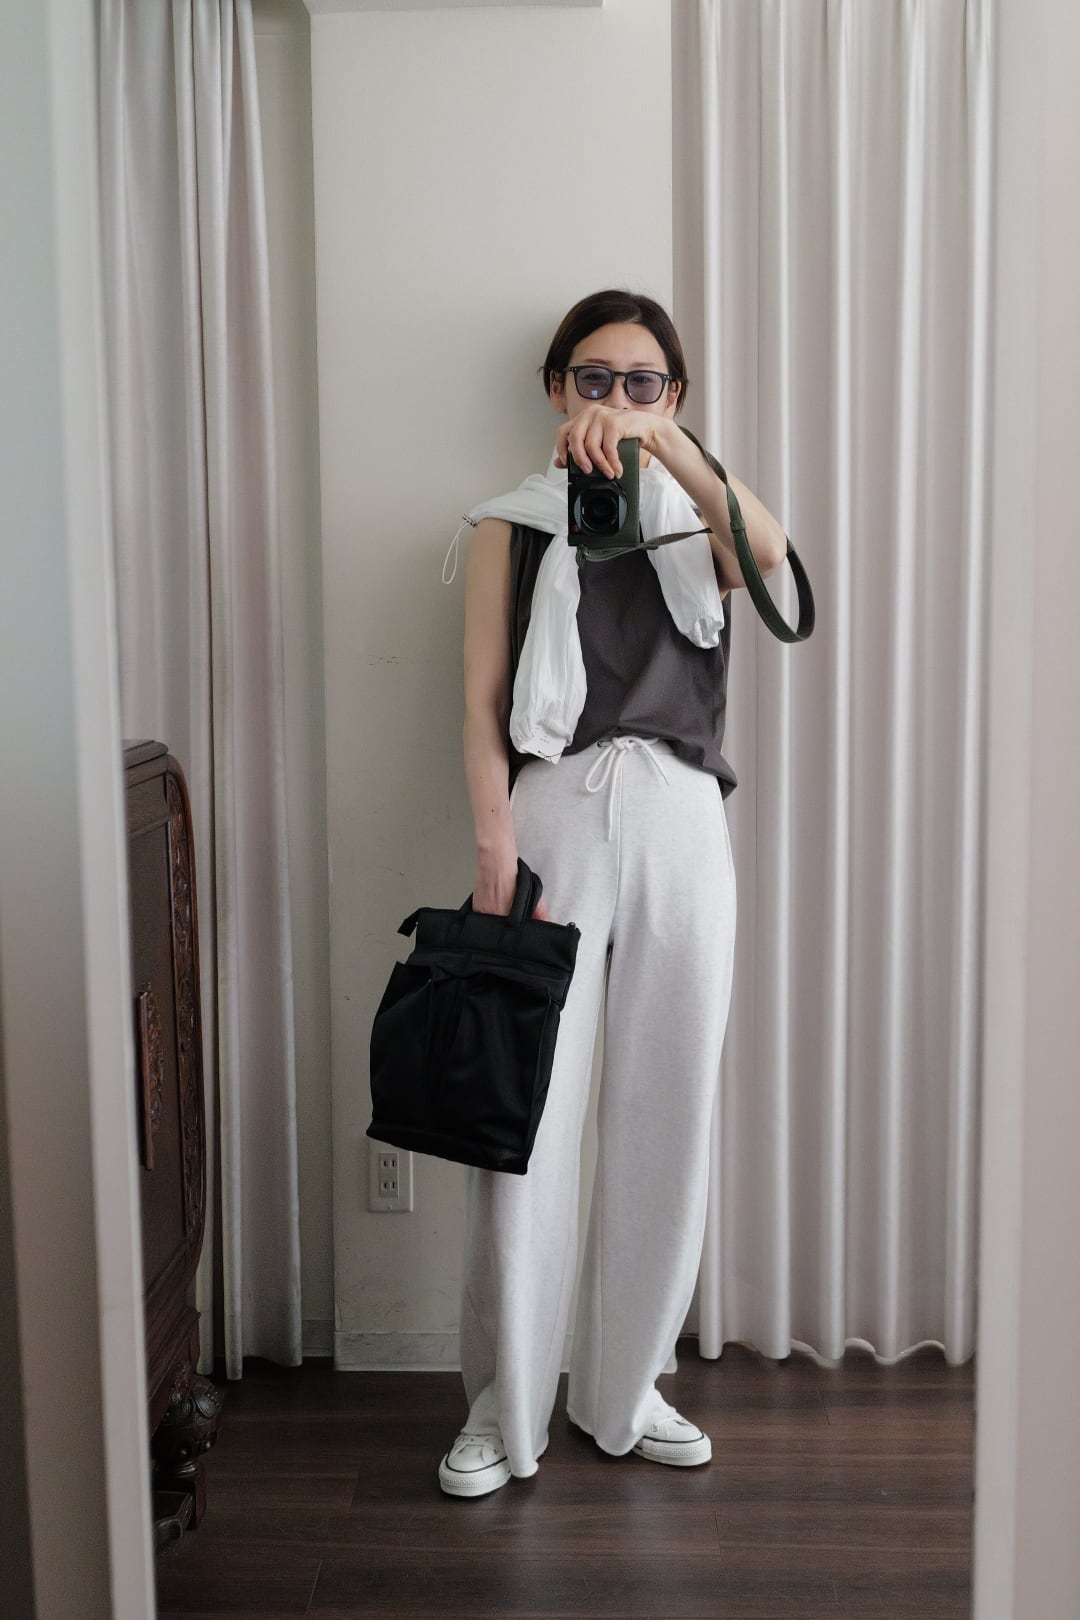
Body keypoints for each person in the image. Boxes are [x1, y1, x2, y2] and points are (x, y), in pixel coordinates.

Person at [440, 289, 788, 1498]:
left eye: (645, 381)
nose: (617, 399)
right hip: (555, 812)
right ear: (556, 387)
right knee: (525, 1117)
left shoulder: (699, 520)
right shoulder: (511, 523)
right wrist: (495, 846)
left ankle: (625, 1388)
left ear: (674, 396)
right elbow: (482, 701)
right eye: (595, 378)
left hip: (683, 818)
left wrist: (668, 452)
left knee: (666, 1108)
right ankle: (503, 1402)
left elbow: (773, 556)